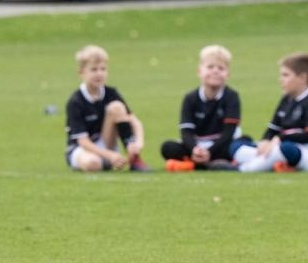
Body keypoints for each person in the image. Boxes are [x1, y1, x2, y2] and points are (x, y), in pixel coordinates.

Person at [159, 44, 255, 172]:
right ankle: (206, 163)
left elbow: (229, 132)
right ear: (199, 71)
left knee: (241, 144)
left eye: (221, 68)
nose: (215, 71)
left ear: (228, 74)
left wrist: (210, 151)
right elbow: (186, 131)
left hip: (222, 145)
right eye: (210, 67)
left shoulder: (231, 96)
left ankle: (194, 164)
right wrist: (194, 149)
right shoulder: (190, 98)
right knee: (168, 147)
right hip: (198, 146)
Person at [237, 53, 308, 173]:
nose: (280, 79)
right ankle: (272, 162)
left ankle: (243, 168)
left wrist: (280, 139)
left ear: (302, 78)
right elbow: (273, 128)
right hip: (279, 147)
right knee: (238, 143)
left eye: (285, 75)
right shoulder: (286, 100)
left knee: (285, 149)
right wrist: (265, 141)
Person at [63, 44, 149, 172]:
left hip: (105, 143)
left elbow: (135, 121)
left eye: (103, 69)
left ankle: (134, 159)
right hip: (82, 149)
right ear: (81, 72)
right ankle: (106, 161)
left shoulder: (111, 93)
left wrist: (138, 143)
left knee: (117, 107)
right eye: (94, 70)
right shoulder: (76, 101)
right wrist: (110, 155)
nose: (99, 74)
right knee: (93, 163)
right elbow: (83, 142)